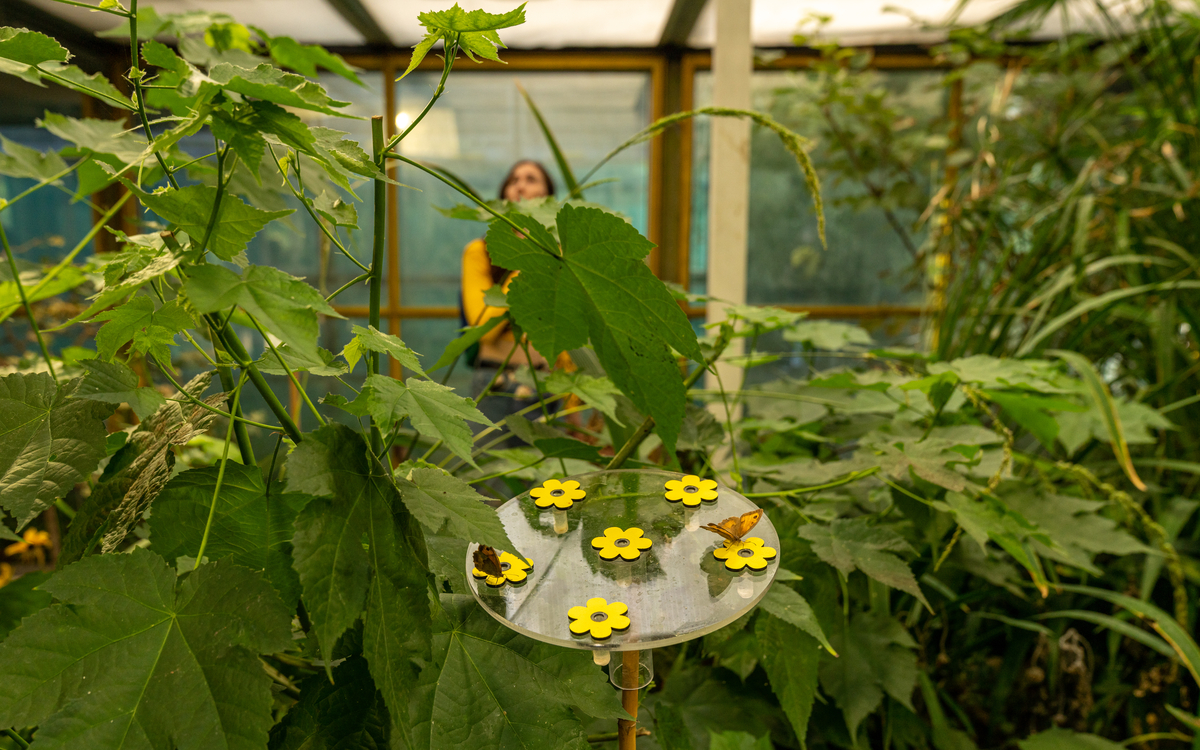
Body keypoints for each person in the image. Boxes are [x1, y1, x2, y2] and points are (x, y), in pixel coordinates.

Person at [459, 160, 559, 427]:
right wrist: (527, 261)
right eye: (513, 180)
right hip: (494, 383)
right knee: (488, 466)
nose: (520, 186)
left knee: (551, 468)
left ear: (549, 198)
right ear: (503, 195)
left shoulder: (561, 256)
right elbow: (483, 327)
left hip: (545, 383)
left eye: (531, 179)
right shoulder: (479, 251)